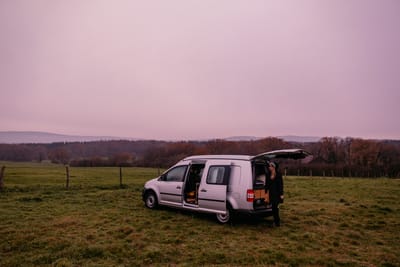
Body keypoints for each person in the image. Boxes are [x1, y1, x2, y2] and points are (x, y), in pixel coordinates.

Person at [266, 162, 284, 227]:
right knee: (273, 208)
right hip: (270, 194)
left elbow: (280, 185)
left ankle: (277, 222)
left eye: (270, 166)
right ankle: (275, 221)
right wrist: (265, 192)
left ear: (273, 167)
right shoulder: (268, 174)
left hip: (276, 194)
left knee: (275, 208)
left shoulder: (278, 174)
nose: (269, 167)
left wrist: (281, 194)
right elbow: (267, 184)